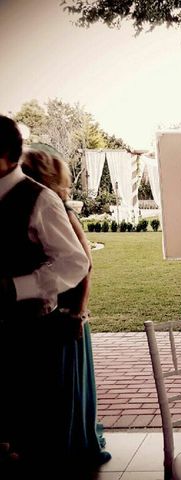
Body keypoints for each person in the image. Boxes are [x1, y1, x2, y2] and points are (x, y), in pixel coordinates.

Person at [0, 115, 90, 472]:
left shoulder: (40, 200)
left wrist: (14, 288)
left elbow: (77, 263)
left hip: (28, 334)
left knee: (35, 434)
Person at [21, 148, 111, 468]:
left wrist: (78, 313)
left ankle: (72, 445)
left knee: (67, 388)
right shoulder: (37, 207)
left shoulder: (59, 210)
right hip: (51, 316)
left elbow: (85, 265)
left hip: (68, 316)